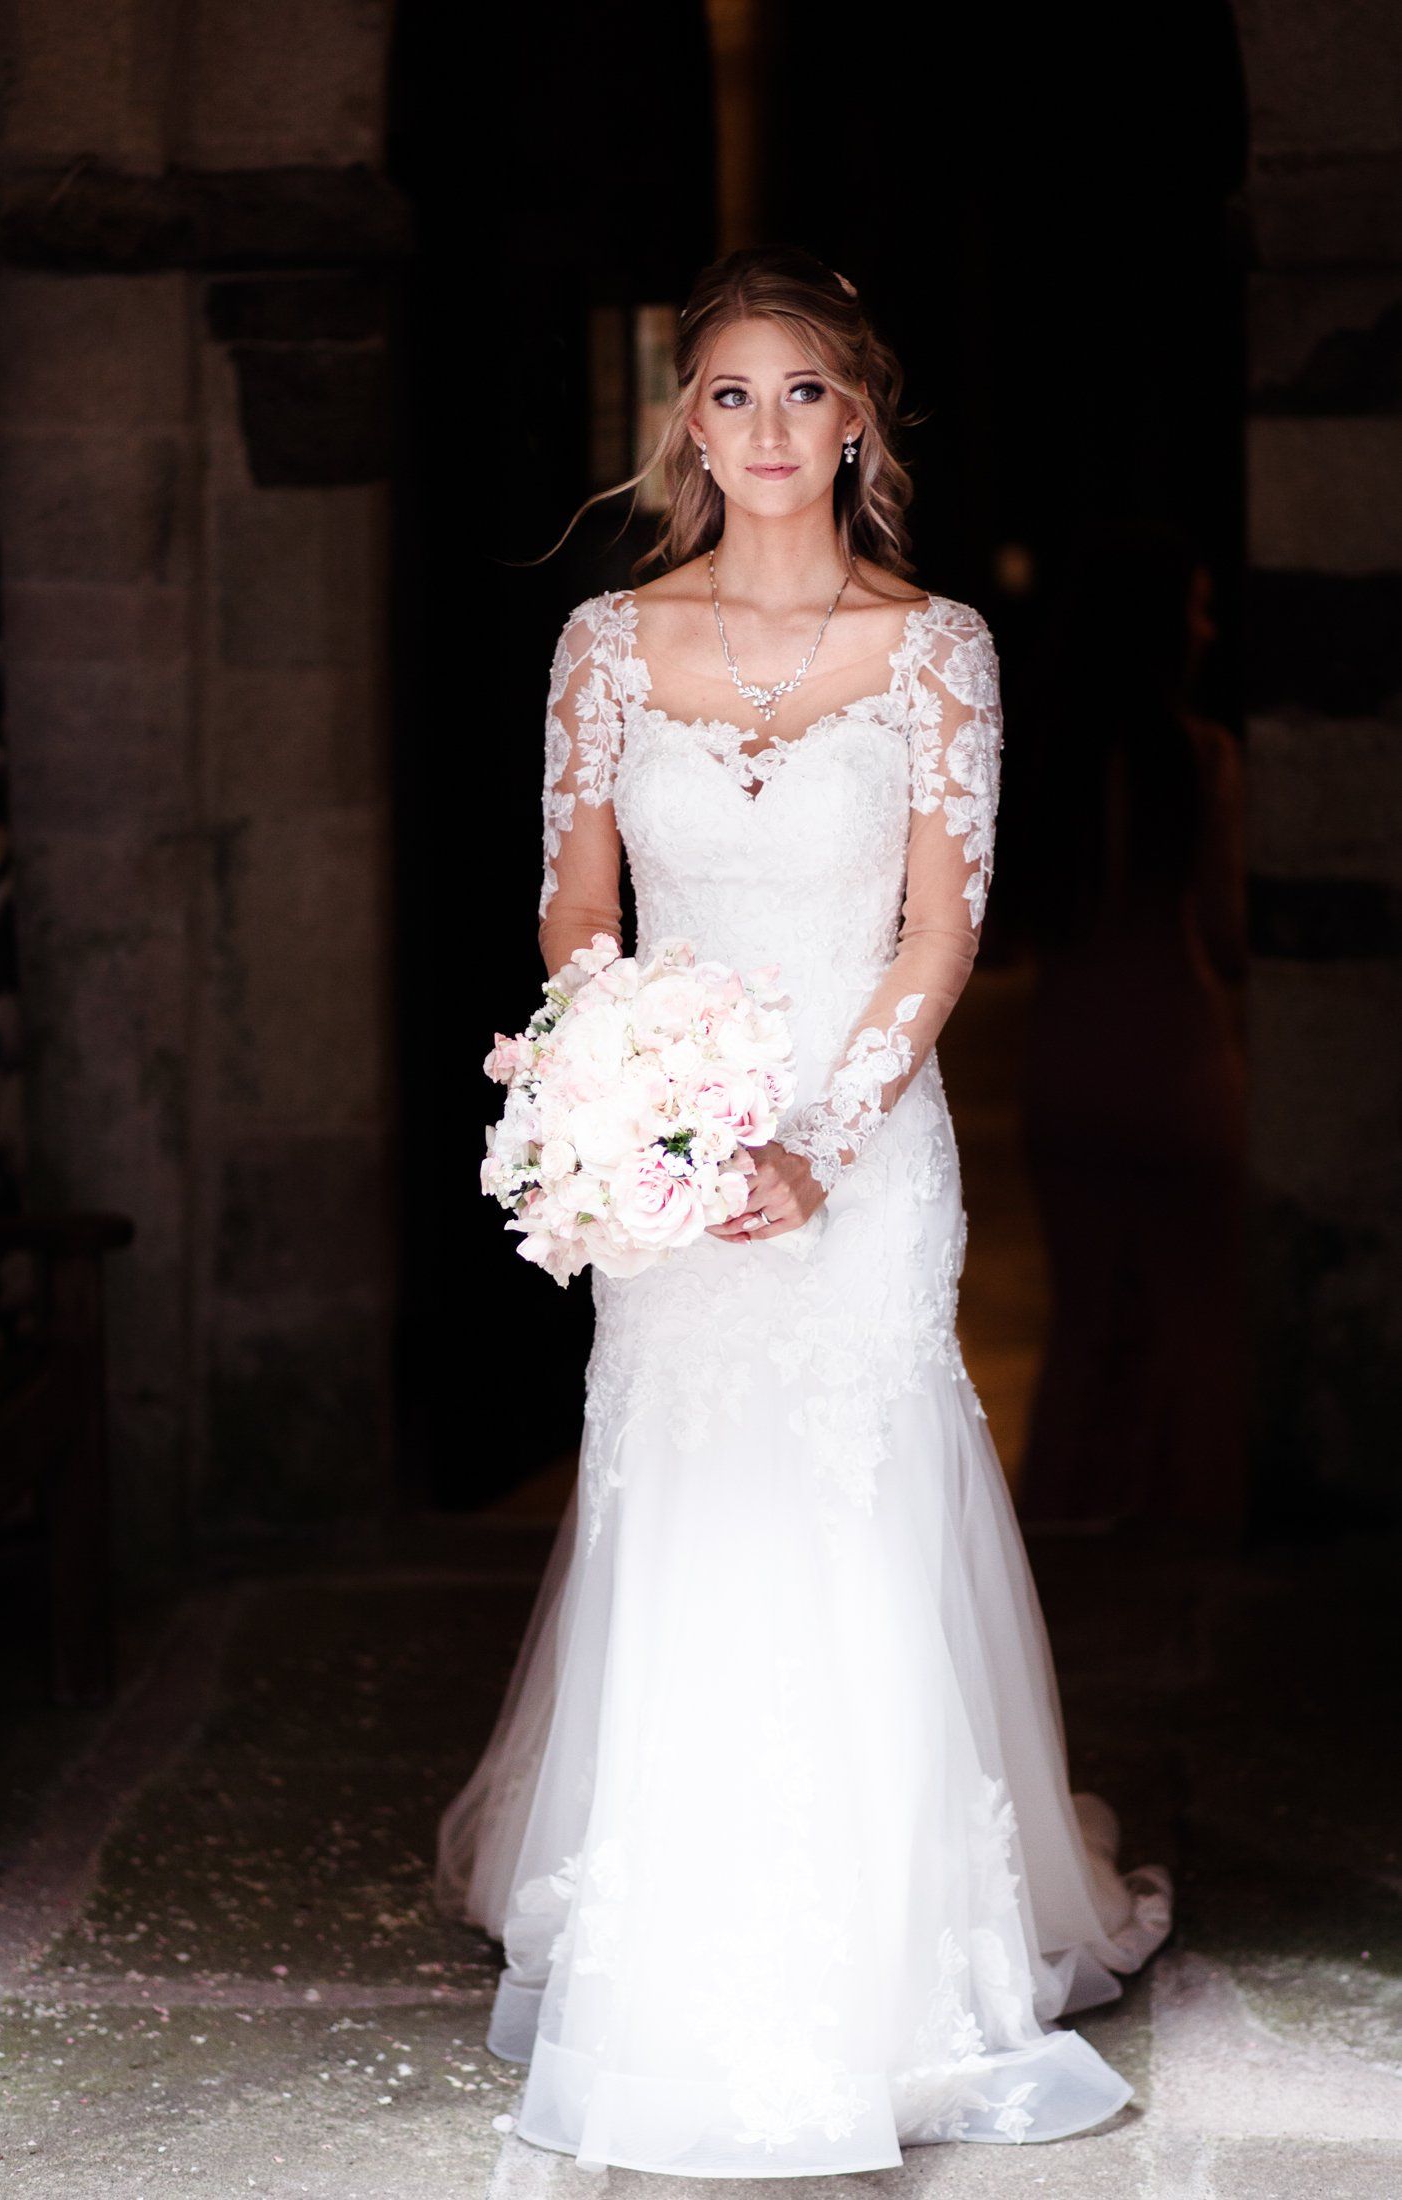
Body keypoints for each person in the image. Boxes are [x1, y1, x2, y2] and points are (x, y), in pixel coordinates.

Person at [435, 245, 1172, 2178]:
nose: (765, 431)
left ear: (860, 420)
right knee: (686, 1509)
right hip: (671, 1159)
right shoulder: (605, 642)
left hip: (859, 1154)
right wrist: (638, 1102)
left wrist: (814, 1144)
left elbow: (940, 928)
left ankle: (881, 1972)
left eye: (803, 395)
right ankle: (684, 1951)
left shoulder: (934, 649)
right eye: (729, 396)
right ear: (686, 421)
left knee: (848, 1508)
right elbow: (571, 904)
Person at [1005, 520, 1247, 1536]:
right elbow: (1228, 931)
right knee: (1199, 1323)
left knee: (1084, 1321)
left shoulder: (1047, 765)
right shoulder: (1197, 759)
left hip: (1063, 1056)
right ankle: (1195, 1529)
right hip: (1174, 1057)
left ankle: (1057, 1532)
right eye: (1195, 606)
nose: (1209, 627)